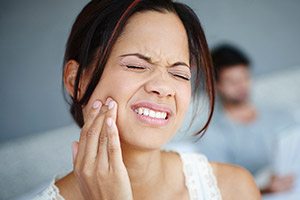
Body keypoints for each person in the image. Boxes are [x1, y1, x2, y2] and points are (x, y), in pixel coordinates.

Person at [34, 1, 260, 199]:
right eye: (136, 65)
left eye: (179, 74)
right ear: (76, 80)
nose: (163, 88)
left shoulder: (234, 189)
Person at [197, 44, 295, 194]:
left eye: (245, 77)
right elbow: (222, 188)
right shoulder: (213, 134)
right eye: (232, 81)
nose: (241, 86)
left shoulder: (280, 115)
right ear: (216, 85)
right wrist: (265, 189)